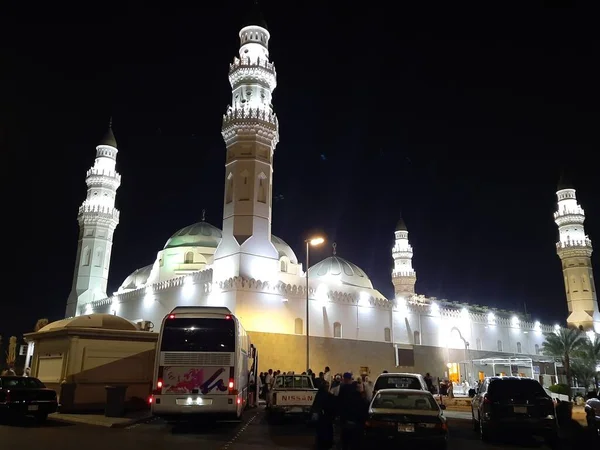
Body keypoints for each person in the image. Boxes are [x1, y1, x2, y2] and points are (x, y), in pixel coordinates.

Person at [337, 373, 368, 450]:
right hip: (355, 423)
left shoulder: (343, 390)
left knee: (346, 442)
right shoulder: (359, 397)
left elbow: (339, 404)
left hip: (346, 421)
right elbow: (363, 409)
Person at [312, 383, 336, 449]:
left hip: (322, 417)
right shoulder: (328, 395)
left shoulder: (319, 395)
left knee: (320, 433)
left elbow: (315, 405)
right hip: (326, 417)